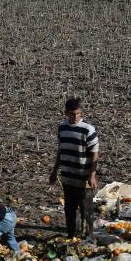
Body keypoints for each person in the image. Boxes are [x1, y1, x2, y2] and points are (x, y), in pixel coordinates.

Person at [49, 98, 100, 238]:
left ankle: (87, 237)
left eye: (78, 113)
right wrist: (54, 171)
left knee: (86, 209)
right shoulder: (62, 128)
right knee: (69, 208)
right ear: (66, 113)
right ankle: (71, 236)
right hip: (67, 175)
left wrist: (92, 175)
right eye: (72, 114)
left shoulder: (88, 129)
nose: (76, 116)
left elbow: (95, 153)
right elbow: (61, 150)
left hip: (83, 176)